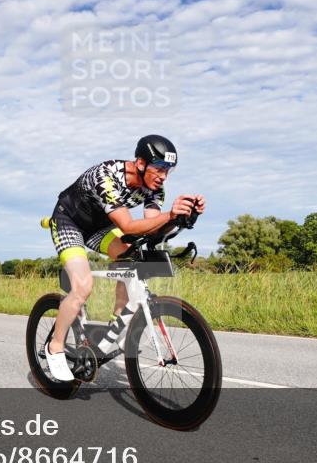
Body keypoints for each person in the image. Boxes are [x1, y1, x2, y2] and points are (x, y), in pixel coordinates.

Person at [43, 135, 204, 381]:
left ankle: (114, 327)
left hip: (100, 227)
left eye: (168, 170)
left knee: (132, 260)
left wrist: (183, 217)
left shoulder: (154, 187)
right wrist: (170, 214)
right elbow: (128, 227)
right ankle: (55, 347)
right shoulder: (107, 177)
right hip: (70, 222)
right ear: (140, 163)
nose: (163, 176)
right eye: (159, 168)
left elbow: (152, 227)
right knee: (83, 286)